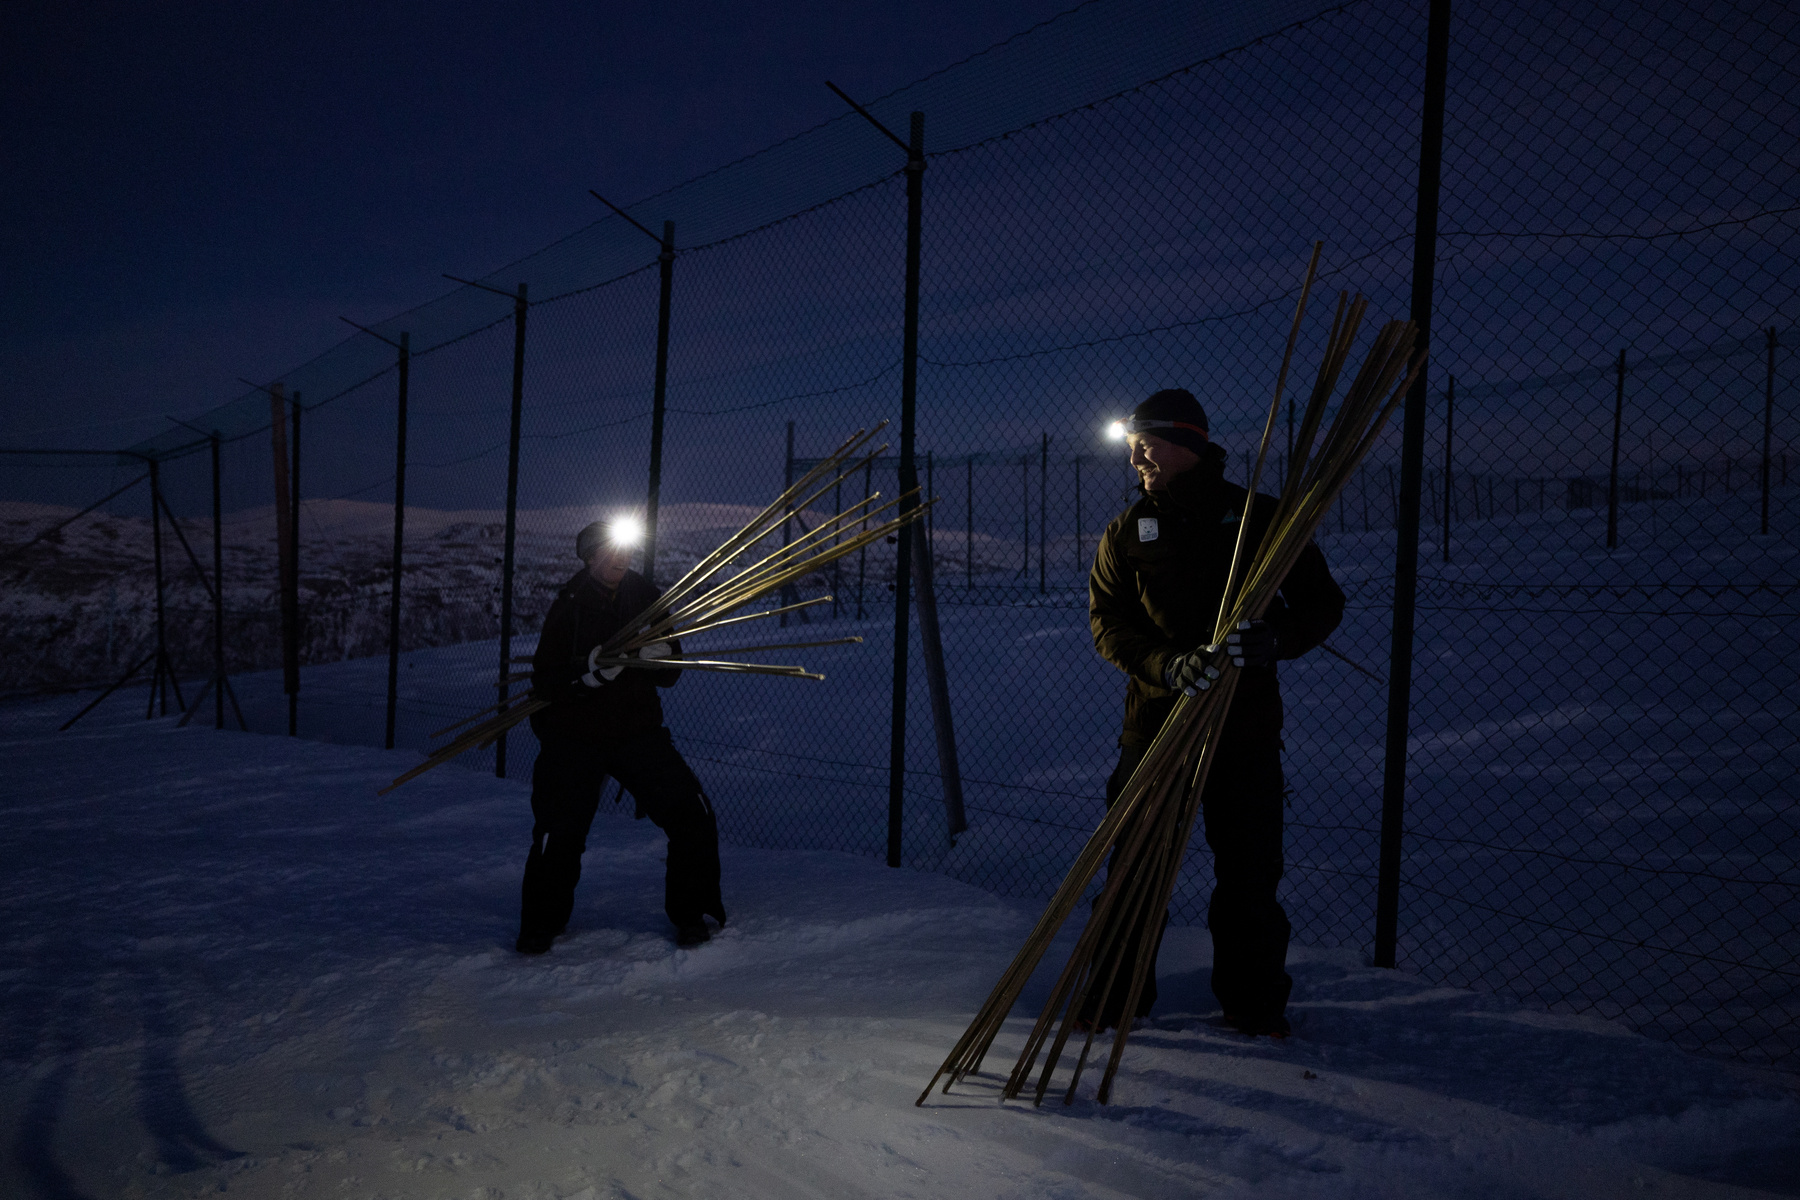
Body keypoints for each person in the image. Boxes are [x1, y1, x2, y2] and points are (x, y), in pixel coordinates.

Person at [1087, 388, 1345, 1036]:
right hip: (1154, 727)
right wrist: (1166, 666)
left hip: (1244, 728)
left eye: (1144, 442)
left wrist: (1273, 641)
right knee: (1136, 867)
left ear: (1185, 442)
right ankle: (1115, 997)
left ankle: (1253, 1003)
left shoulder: (1258, 516)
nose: (1135, 457)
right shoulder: (1127, 531)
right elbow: (1108, 626)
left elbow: (1321, 602)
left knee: (1250, 876)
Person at [518, 516, 726, 954]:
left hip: (635, 731)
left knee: (693, 812)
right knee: (560, 831)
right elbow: (546, 681)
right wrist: (585, 674)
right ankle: (541, 924)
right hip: (574, 735)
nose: (619, 559)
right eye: (608, 552)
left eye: (625, 550)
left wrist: (662, 658)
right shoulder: (569, 605)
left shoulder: (646, 598)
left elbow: (671, 675)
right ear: (590, 557)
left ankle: (692, 913)